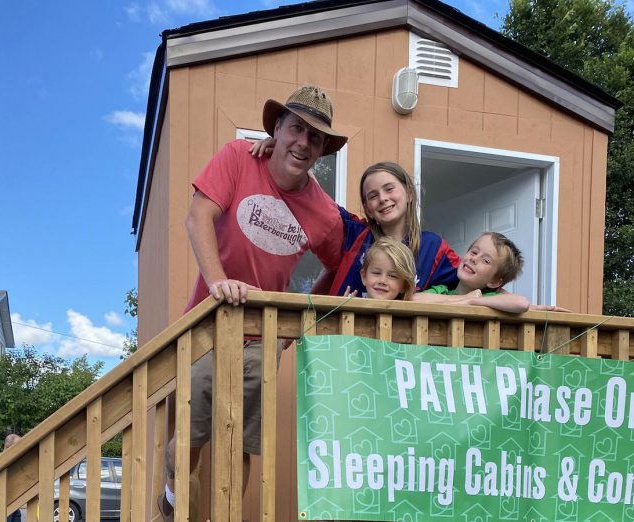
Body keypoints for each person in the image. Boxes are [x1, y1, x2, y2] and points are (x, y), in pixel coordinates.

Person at [158, 84, 349, 521]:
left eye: (314, 137)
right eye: (296, 129)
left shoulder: (324, 213)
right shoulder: (239, 158)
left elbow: (341, 266)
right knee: (188, 436)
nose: (303, 143)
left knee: (240, 444)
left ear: (321, 150)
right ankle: (172, 501)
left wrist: (295, 320)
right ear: (277, 129)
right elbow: (197, 216)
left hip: (261, 340)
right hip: (207, 324)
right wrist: (219, 282)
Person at [249, 143, 460, 296]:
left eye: (389, 189)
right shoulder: (353, 233)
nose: (383, 199)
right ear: (367, 209)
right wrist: (283, 152)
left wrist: (424, 297)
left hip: (400, 355)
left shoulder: (434, 248)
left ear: (410, 194)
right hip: (343, 348)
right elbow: (313, 196)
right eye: (373, 196)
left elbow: (474, 284)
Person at [414, 231, 531, 313]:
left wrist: (471, 300)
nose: (474, 259)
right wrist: (461, 299)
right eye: (474, 252)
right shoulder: (442, 291)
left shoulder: (486, 297)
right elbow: (413, 300)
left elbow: (522, 303)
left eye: (485, 261)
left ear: (494, 281)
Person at [3, 434, 22, 522]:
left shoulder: (14, 461)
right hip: (4, 504)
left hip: (13, 504)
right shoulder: (0, 462)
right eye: (17, 445)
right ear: (8, 446)